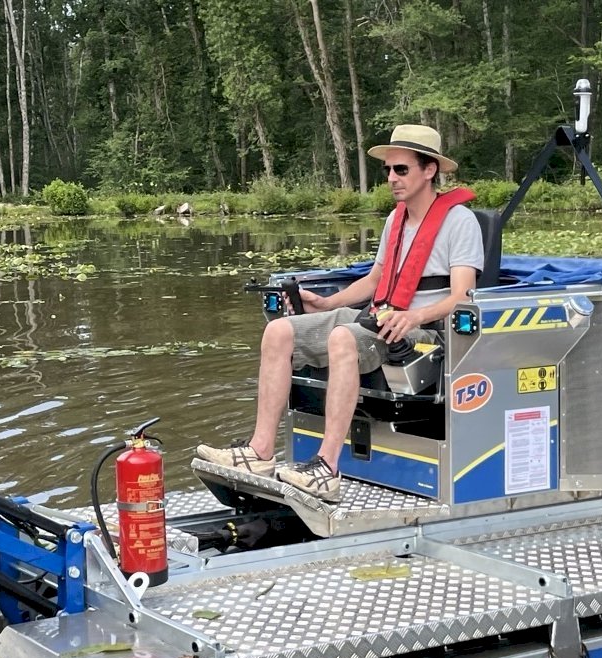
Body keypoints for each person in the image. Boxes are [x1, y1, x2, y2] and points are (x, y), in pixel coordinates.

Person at [197, 124, 484, 502]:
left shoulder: (459, 222)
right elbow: (376, 279)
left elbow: (463, 296)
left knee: (342, 337)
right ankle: (260, 451)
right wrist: (330, 303)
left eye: (401, 170)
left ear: (429, 170)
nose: (392, 179)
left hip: (425, 331)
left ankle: (326, 470)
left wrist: (414, 317)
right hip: (380, 319)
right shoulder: (395, 220)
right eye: (388, 171)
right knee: (279, 331)